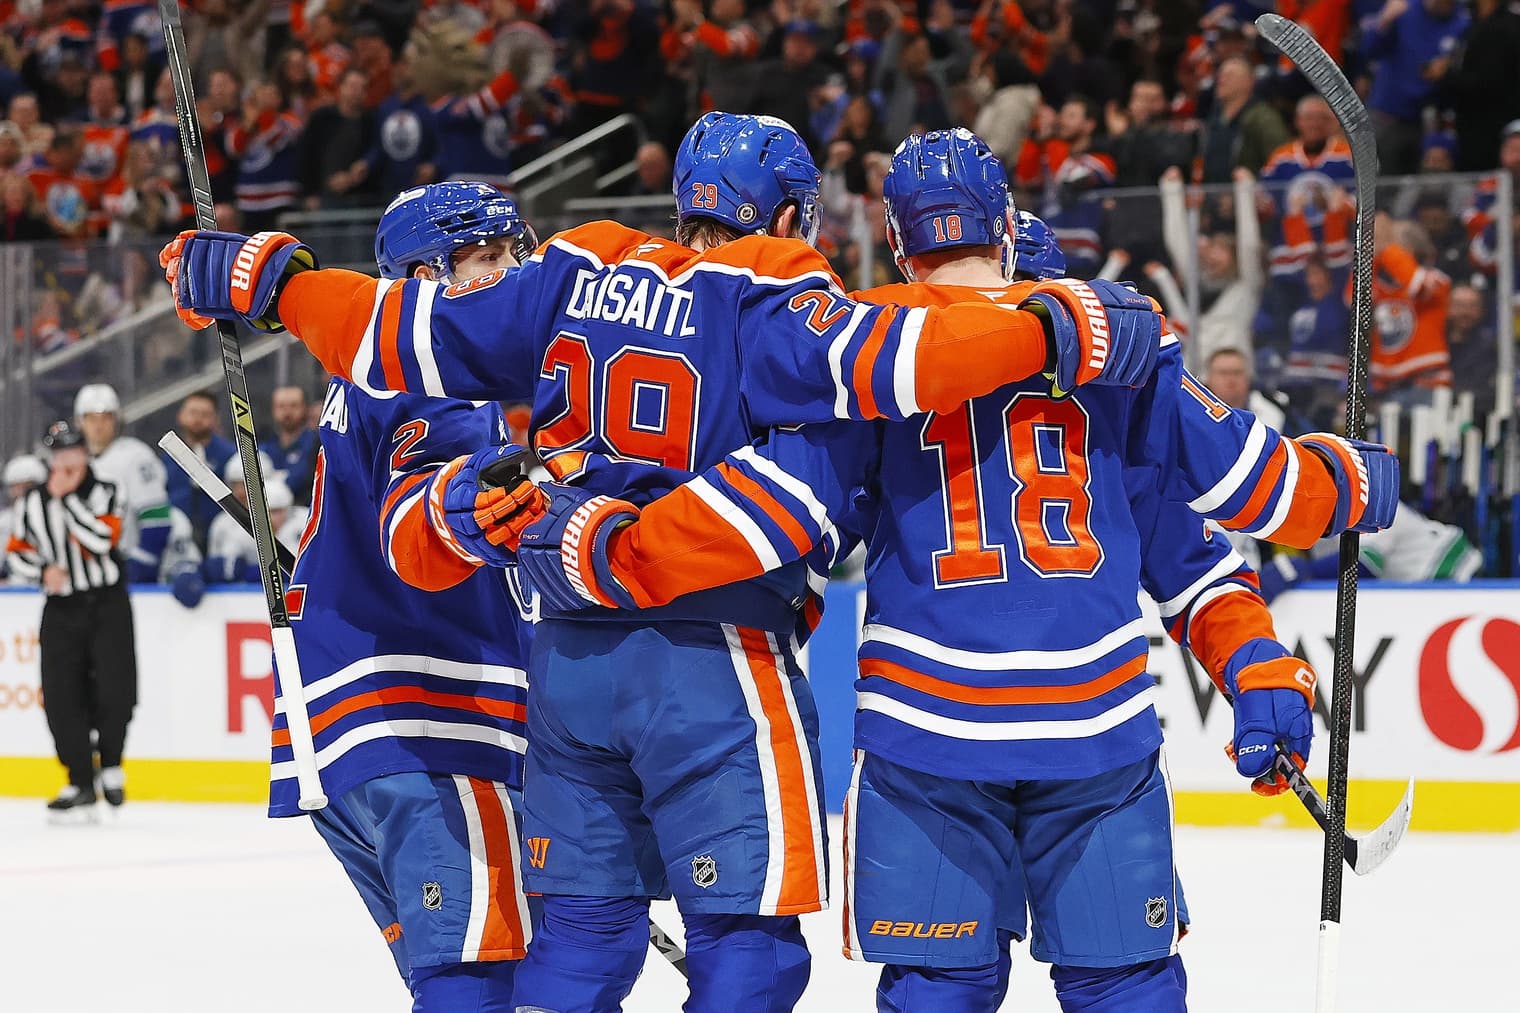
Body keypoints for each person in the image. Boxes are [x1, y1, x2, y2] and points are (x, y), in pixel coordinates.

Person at [159, 111, 1161, 1011]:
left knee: (583, 937)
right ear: (791, 212)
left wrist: (273, 280)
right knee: (749, 955)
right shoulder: (778, 293)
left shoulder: (578, 264)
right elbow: (903, 371)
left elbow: (395, 330)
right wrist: (1048, 326)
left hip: (567, 670)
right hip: (710, 658)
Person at [494, 130, 1401, 1012]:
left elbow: (790, 516)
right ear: (1009, 233)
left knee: (937, 990)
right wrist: (1352, 487)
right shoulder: (1121, 338)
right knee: (1126, 987)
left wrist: (612, 544)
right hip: (1094, 727)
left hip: (923, 732)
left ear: (893, 243)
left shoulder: (856, 347)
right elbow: (1265, 499)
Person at [273, 181, 538, 1010]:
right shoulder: (435, 371)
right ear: (425, 277)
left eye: (513, 251)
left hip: (349, 735)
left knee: (458, 973)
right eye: (490, 257)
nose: (515, 273)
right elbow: (414, 514)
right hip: (429, 722)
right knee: (476, 979)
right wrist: (464, 509)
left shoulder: (371, 366)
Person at [3, 420, 135, 817]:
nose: (66, 460)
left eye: (73, 451)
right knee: (61, 698)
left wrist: (67, 501)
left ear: (84, 453)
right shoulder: (30, 503)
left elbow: (100, 542)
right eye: (58, 453)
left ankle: (110, 763)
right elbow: (16, 555)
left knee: (116, 691)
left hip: (107, 603)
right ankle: (80, 780)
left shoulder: (109, 490)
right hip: (60, 609)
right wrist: (41, 572)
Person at [73, 382, 172, 583]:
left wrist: (143, 561)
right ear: (79, 422)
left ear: (117, 420)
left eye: (106, 417)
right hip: (82, 572)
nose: (98, 425)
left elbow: (156, 516)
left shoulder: (136, 456)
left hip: (124, 564)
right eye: (91, 418)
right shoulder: (71, 461)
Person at [203, 456, 302, 585]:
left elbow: (299, 570)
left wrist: (250, 572)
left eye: (276, 511)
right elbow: (225, 567)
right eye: (235, 484)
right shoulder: (239, 524)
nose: (240, 491)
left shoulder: (301, 521)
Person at [162, 390, 237, 549]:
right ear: (181, 415)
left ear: (215, 419)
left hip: (218, 534)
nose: (198, 419)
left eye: (205, 414)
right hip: (176, 533)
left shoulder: (230, 456)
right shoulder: (167, 455)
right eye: (193, 413)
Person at [259, 385, 319, 505]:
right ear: (273, 409)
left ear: (306, 408)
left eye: (294, 406)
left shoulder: (317, 443)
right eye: (281, 406)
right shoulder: (264, 445)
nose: (287, 412)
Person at [2, 453, 48, 584]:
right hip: (10, 590)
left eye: (28, 486)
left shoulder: (51, 517)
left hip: (42, 583)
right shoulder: (4, 521)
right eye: (16, 486)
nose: (22, 491)